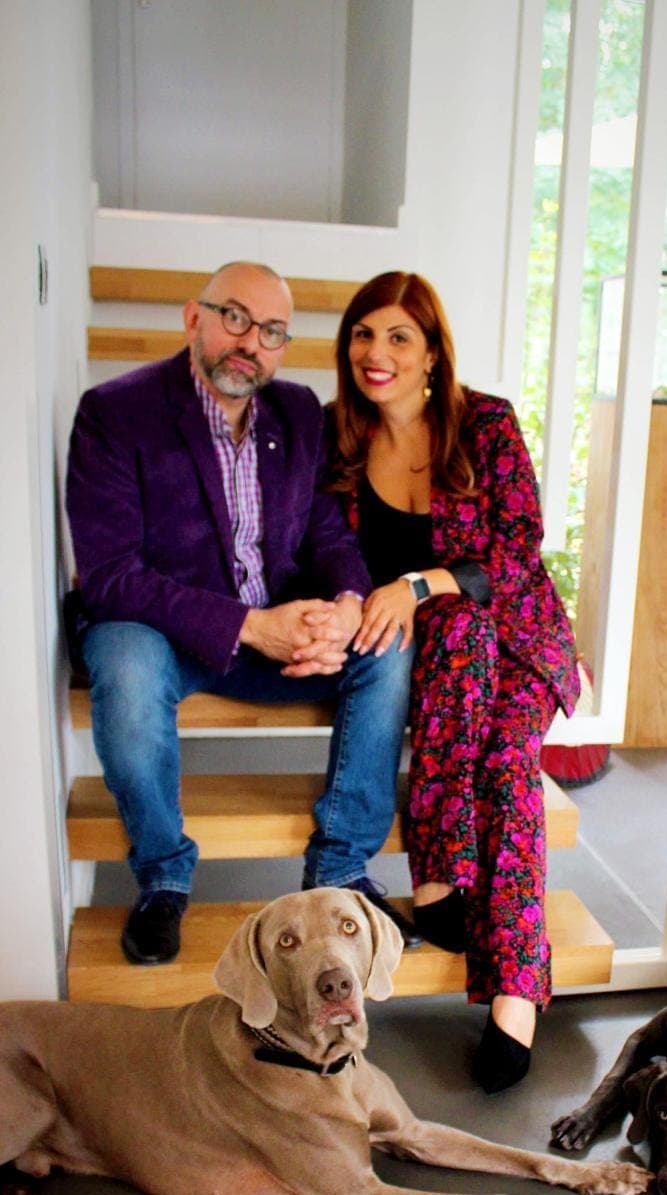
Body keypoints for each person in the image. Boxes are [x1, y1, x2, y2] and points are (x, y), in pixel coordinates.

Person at [65, 261, 419, 965]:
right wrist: (252, 626)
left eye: (272, 331)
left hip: (278, 629)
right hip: (168, 637)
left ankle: (340, 866)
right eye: (234, 318)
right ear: (193, 317)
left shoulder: (297, 411)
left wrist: (347, 606)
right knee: (123, 664)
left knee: (389, 640)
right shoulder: (114, 412)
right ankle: (163, 876)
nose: (250, 342)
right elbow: (109, 578)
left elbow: (325, 530)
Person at [326, 270, 580, 1093]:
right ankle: (444, 883)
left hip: (517, 636)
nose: (377, 352)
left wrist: (418, 582)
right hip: (443, 654)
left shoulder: (486, 423)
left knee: (505, 760)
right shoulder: (339, 436)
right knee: (456, 642)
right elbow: (319, 544)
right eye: (364, 334)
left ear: (432, 352)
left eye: (399, 336)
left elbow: (517, 549)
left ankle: (513, 990)